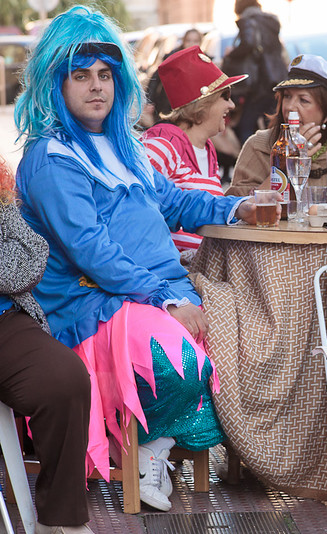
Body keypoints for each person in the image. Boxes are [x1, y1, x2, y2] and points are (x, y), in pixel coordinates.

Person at [13, 6, 258, 512]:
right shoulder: (49, 157)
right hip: (94, 303)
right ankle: (146, 450)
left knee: (246, 345)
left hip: (158, 291)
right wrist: (166, 298)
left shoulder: (125, 146)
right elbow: (91, 251)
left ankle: (154, 446)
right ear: (54, 84)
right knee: (181, 363)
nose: (96, 87)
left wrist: (241, 207)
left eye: (105, 74)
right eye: (80, 76)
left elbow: (177, 202)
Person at [0, 155, 93, 533]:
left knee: (65, 379)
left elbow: (25, 265)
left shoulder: (4, 205)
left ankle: (60, 521)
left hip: (5, 322)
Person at [143, 45, 247, 261]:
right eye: (225, 96)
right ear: (202, 103)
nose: (232, 104)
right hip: (172, 276)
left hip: (203, 267)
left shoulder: (206, 148)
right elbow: (136, 215)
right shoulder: (162, 144)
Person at [226, 54, 327, 197]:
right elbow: (238, 206)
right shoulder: (258, 145)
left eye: (303, 100)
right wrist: (287, 162)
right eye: (287, 96)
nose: (290, 106)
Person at [225, 0, 287, 145]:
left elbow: (248, 43)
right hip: (276, 79)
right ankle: (274, 161)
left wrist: (232, 53)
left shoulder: (248, 21)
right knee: (272, 123)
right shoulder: (270, 21)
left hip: (259, 82)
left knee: (246, 124)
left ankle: (249, 160)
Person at [145, 28, 203, 122]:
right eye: (188, 40)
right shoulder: (172, 58)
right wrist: (149, 101)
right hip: (168, 105)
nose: (191, 44)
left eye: (195, 41)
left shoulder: (203, 60)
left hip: (191, 107)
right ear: (183, 42)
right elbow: (155, 78)